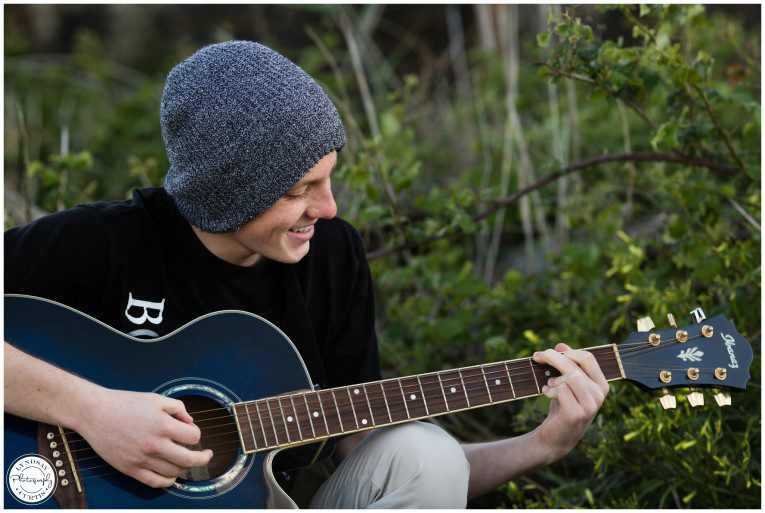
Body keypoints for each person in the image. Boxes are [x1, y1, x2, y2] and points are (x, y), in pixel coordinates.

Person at [4, 40, 609, 508]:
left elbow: (397, 478)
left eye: (329, 179)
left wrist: (542, 445)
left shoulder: (333, 257)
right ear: (230, 193)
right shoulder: (106, 244)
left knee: (425, 453)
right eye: (302, 190)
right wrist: (93, 411)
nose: (328, 209)